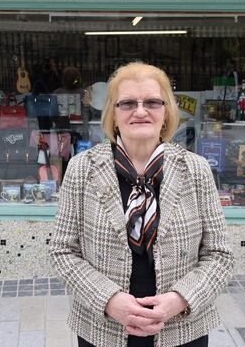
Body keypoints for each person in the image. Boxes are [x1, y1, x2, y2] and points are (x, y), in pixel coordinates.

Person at [49, 62, 234, 347]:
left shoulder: (196, 170)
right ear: (113, 114)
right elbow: (63, 251)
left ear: (166, 112)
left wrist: (179, 299)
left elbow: (220, 254)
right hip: (103, 330)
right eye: (127, 103)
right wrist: (108, 300)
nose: (140, 111)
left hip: (182, 329)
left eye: (152, 102)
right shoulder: (81, 169)